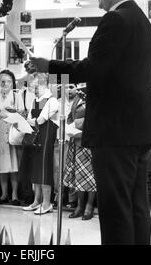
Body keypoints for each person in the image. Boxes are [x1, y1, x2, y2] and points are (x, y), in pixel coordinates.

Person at [31, 0, 151, 244]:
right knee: (136, 204)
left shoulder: (116, 19)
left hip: (115, 128)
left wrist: (49, 65)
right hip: (139, 126)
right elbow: (117, 72)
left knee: (115, 208)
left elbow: (94, 68)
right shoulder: (141, 20)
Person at [20, 73, 58, 215]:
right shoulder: (36, 100)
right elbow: (31, 118)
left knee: (44, 169)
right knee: (36, 169)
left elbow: (40, 120)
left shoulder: (52, 100)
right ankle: (37, 201)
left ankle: (47, 203)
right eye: (33, 86)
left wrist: (25, 120)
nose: (34, 89)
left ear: (45, 84)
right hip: (34, 138)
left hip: (46, 138)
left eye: (37, 86)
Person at [0, 69, 24, 206]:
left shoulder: (16, 96)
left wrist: (14, 113)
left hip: (12, 132)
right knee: (0, 165)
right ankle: (4, 194)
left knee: (13, 165)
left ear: (13, 83)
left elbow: (22, 116)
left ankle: (14, 194)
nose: (5, 84)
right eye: (3, 81)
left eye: (9, 81)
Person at [63, 85, 97, 220]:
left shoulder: (98, 96)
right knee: (78, 176)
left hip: (91, 142)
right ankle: (80, 205)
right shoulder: (78, 97)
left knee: (91, 177)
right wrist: (71, 126)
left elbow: (98, 119)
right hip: (76, 140)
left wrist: (78, 124)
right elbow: (70, 117)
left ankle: (89, 205)